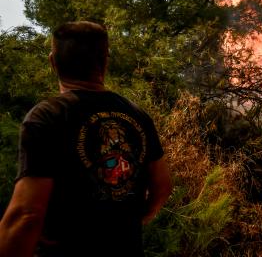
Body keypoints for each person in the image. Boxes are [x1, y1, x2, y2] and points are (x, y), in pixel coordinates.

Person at [0, 21, 172, 257]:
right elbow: (162, 186)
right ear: (105, 60)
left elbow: (27, 215)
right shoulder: (137, 114)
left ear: (53, 61)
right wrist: (135, 219)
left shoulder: (47, 116)